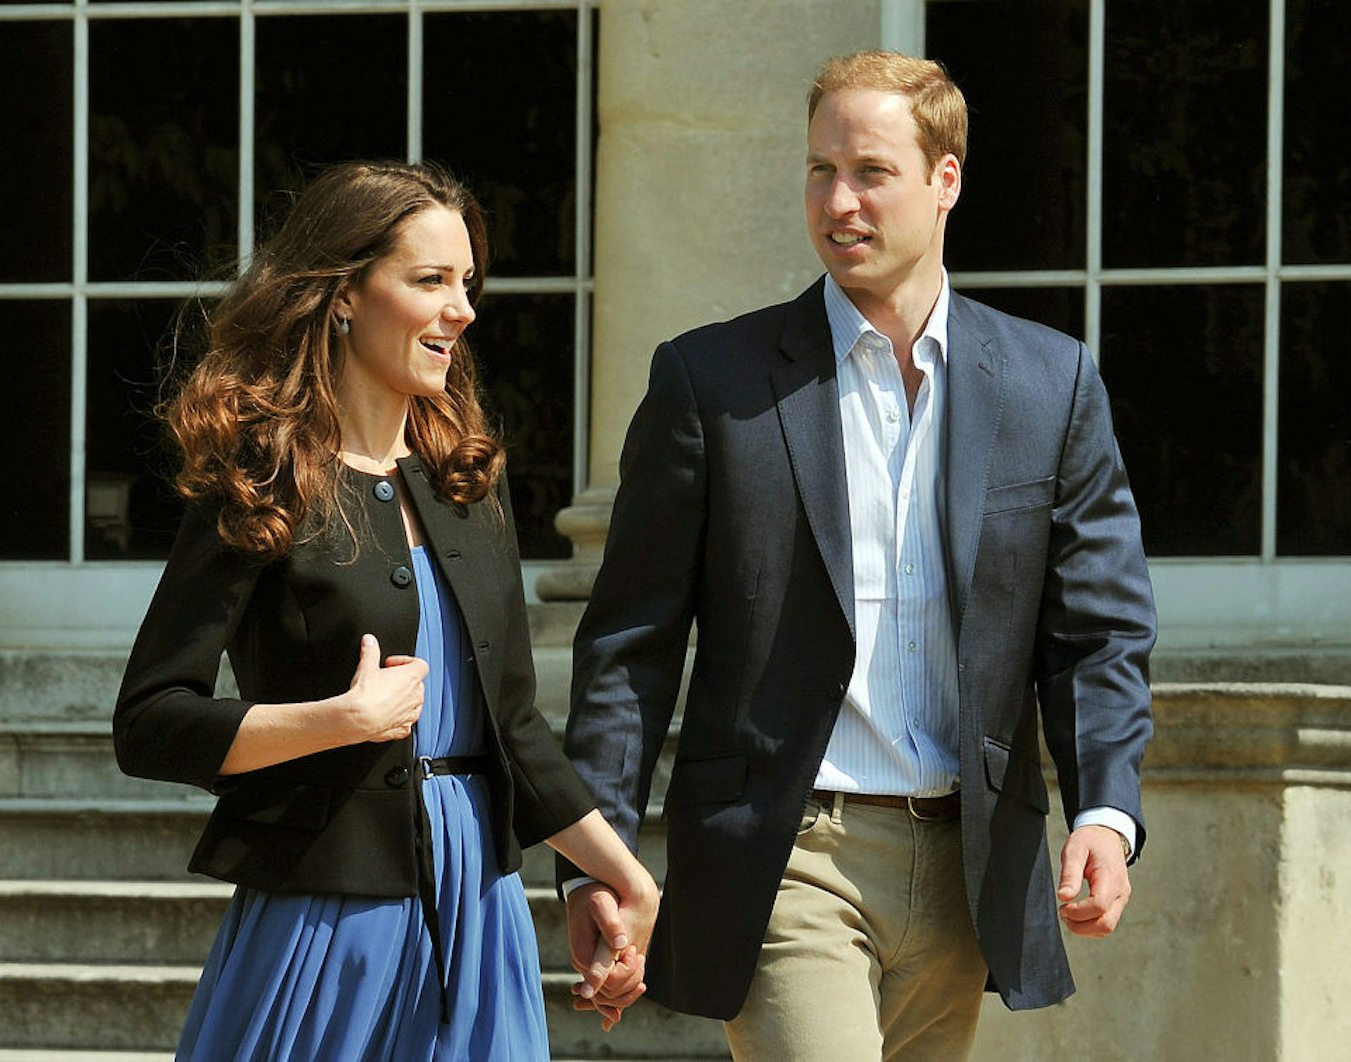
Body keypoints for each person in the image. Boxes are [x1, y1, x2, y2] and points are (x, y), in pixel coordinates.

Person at [557, 50, 1157, 1060]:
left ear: (946, 179)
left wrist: (1106, 806)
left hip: (969, 861)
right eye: (819, 170)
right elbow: (631, 638)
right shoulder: (712, 382)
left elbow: (1097, 628)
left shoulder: (1050, 386)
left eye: (871, 171)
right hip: (789, 855)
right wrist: (597, 856)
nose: (839, 201)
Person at [113, 159, 657, 1060]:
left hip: (480, 914)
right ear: (342, 296)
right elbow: (148, 722)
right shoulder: (257, 482)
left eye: (467, 285)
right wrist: (334, 721)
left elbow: (515, 727)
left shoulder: (466, 482)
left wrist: (617, 873)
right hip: (325, 920)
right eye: (431, 281)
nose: (464, 311)